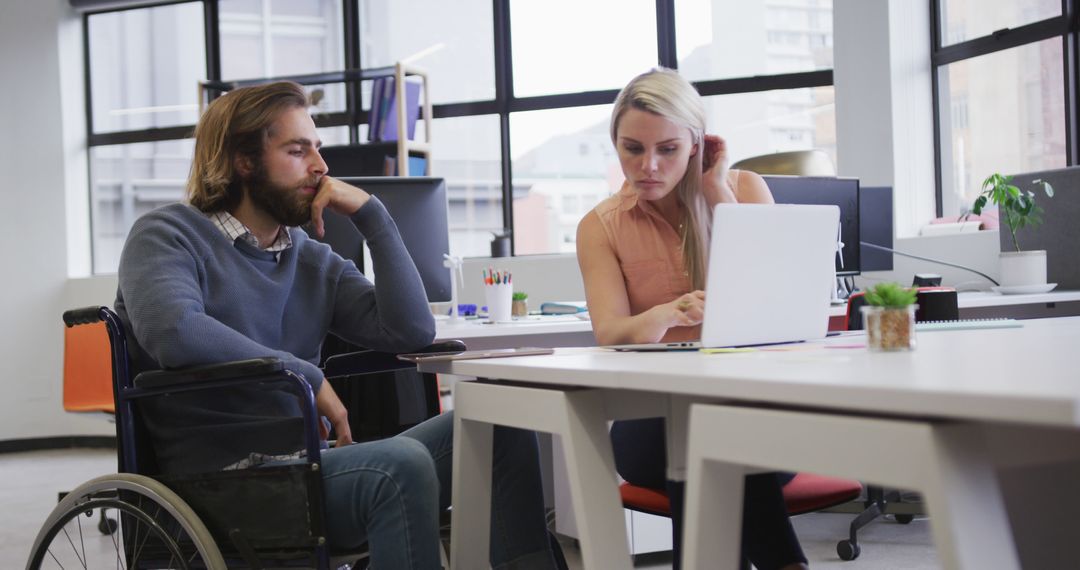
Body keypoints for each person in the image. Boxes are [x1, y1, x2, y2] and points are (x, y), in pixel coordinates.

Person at [115, 81, 561, 570]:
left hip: (306, 463)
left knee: (501, 429)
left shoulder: (310, 258)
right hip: (226, 479)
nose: (320, 166)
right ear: (244, 161)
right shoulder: (167, 235)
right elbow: (173, 332)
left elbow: (410, 332)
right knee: (401, 466)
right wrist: (307, 374)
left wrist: (375, 218)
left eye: (317, 149)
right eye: (296, 149)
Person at [575, 68, 809, 570]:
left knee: (716, 440)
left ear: (698, 144)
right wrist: (665, 313)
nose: (649, 166)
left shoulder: (744, 190)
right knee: (703, 437)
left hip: (756, 412)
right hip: (651, 420)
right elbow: (611, 331)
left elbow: (776, 304)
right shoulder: (600, 227)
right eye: (632, 148)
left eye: (668, 149)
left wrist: (717, 190)